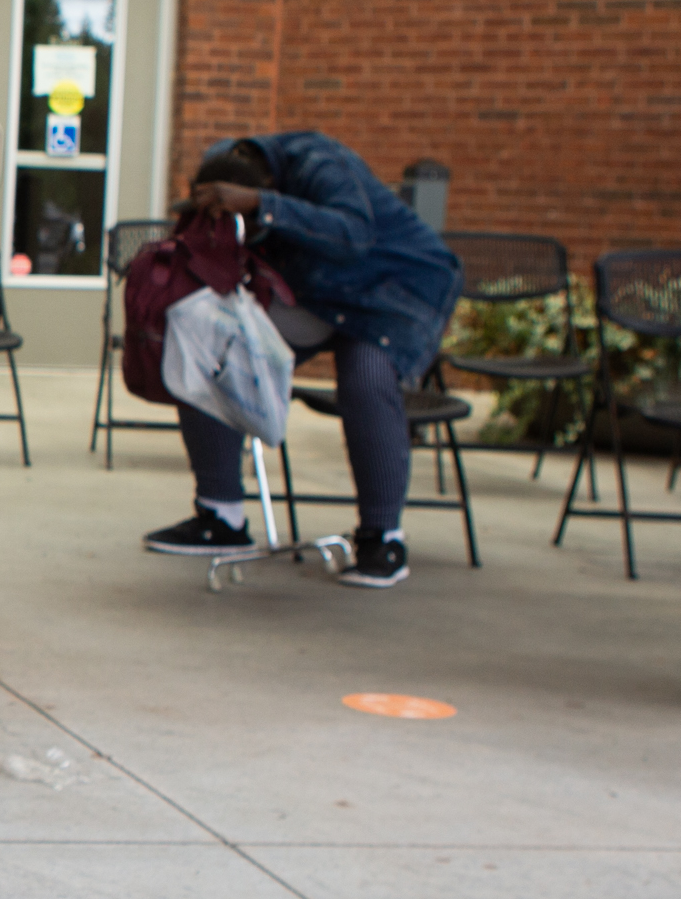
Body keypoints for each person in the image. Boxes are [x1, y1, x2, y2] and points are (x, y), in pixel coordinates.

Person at [140, 135, 461, 588]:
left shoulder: (318, 161)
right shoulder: (229, 162)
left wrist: (261, 205)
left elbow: (353, 234)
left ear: (268, 184)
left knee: (365, 377)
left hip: (396, 288)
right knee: (209, 345)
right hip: (320, 292)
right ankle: (221, 517)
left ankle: (383, 538)